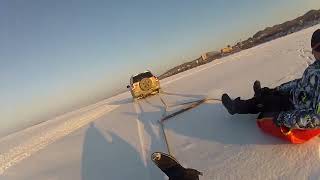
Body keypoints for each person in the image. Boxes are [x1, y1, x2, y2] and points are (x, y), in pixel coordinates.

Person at [222, 29, 320, 129]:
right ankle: (261, 93)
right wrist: (279, 88)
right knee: (270, 92)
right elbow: (300, 82)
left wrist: (283, 118)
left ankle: (236, 107)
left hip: (295, 109)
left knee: (264, 102)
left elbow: (315, 119)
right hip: (295, 96)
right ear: (313, 51)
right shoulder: (315, 67)